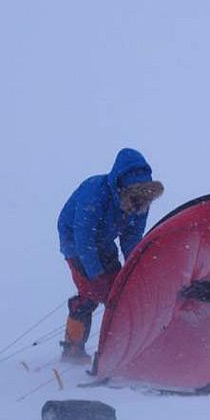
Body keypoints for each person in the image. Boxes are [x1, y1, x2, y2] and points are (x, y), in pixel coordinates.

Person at [57, 148, 164, 363]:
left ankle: (123, 350)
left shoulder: (140, 202)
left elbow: (132, 238)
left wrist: (135, 270)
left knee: (119, 293)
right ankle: (72, 348)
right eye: (134, 195)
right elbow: (84, 238)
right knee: (90, 295)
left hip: (103, 241)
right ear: (122, 186)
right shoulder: (94, 194)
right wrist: (95, 275)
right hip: (75, 242)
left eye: (143, 196)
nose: (138, 202)